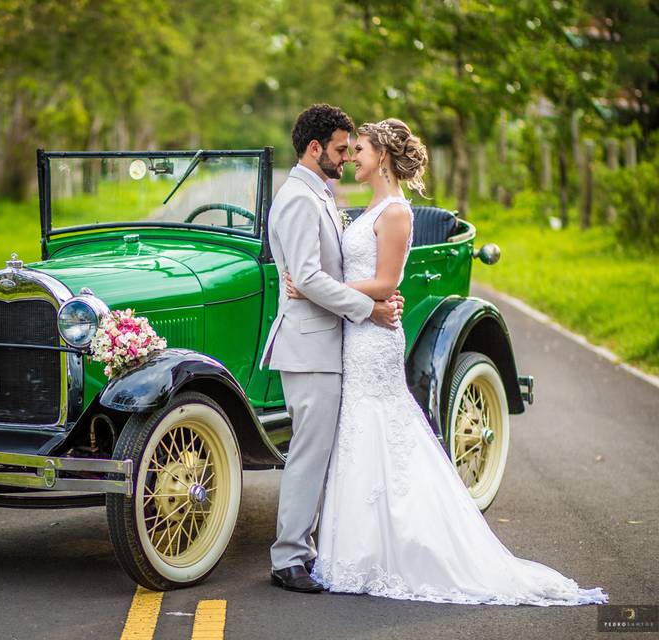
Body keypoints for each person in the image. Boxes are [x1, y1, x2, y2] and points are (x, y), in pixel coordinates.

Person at [282, 117, 609, 605]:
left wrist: (316, 292)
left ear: (383, 159)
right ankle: (355, 548)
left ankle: (407, 546)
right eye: (348, 150)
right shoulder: (364, 205)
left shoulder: (395, 212)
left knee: (381, 435)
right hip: (355, 333)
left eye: (362, 150)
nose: (353, 158)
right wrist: (332, 292)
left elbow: (388, 282)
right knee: (358, 440)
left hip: (373, 335)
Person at [260, 104, 404, 593]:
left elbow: (319, 275)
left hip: (324, 342)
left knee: (318, 450)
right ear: (315, 147)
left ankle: (303, 549)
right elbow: (307, 276)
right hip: (310, 345)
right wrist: (370, 309)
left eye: (351, 149)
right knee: (309, 452)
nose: (346, 157)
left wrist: (363, 289)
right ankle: (289, 559)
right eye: (341, 148)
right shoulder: (300, 198)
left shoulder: (316, 192)